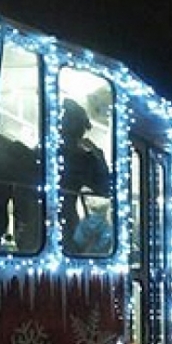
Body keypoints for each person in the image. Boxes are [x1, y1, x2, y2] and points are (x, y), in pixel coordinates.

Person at [59, 98, 110, 253]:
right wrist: (98, 155)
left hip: (35, 224)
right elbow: (105, 187)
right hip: (67, 224)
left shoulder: (41, 153)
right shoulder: (83, 159)